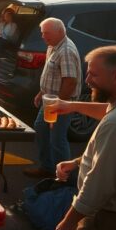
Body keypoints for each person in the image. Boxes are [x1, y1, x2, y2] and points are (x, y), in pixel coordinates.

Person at [53, 45, 116, 230]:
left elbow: (100, 182)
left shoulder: (114, 123)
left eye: (93, 75)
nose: (87, 81)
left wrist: (70, 221)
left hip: (105, 219)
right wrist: (78, 162)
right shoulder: (113, 112)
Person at [25, 18, 82, 178]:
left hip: (61, 103)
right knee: (41, 129)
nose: (43, 36)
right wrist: (41, 92)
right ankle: (48, 167)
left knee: (57, 138)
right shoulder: (53, 45)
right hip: (50, 100)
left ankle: (64, 177)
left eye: (47, 33)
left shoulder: (66, 50)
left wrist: (58, 107)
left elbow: (70, 82)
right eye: (42, 33)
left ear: (60, 31)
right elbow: (51, 74)